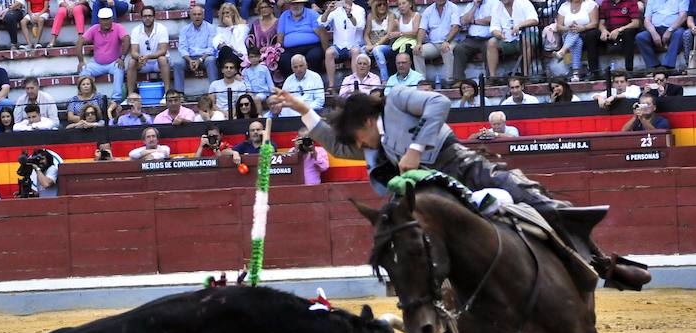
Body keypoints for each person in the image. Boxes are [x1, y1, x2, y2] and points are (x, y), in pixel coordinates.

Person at [277, 86, 651, 289]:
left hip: (460, 164)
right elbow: (338, 146)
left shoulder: (397, 100)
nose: (357, 147)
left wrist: (415, 148)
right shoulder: (375, 143)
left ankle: (605, 265)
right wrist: (303, 110)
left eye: (358, 138)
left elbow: (439, 103)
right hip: (432, 189)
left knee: (534, 199)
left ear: (366, 122)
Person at [77, 7, 129, 103]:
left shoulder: (118, 27)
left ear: (112, 19)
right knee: (83, 70)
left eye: (108, 19)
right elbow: (80, 42)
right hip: (97, 64)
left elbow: (127, 39)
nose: (106, 22)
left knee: (119, 68)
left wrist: (122, 58)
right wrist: (80, 61)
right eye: (103, 19)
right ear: (99, 20)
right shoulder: (94, 28)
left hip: (113, 63)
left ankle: (116, 99)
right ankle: (85, 98)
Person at [126, 5, 170, 98]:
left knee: (162, 59)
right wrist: (140, 57)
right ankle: (130, 96)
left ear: (154, 17)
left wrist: (147, 57)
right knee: (132, 62)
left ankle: (167, 94)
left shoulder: (162, 28)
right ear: (141, 17)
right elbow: (133, 52)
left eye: (150, 16)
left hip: (158, 63)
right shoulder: (135, 30)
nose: (147, 18)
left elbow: (163, 51)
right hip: (143, 63)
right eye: (145, 16)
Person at [320, 0, 365, 91]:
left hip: (354, 44)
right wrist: (328, 11)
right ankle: (331, 85)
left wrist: (350, 15)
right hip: (338, 45)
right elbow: (322, 23)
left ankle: (356, 83)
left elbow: (360, 26)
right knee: (329, 52)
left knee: (355, 51)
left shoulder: (359, 9)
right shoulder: (336, 9)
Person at [487, 0, 538, 78]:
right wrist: (498, 34)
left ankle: (525, 75)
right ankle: (492, 77)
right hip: (507, 38)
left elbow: (534, 20)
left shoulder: (524, 2)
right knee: (491, 42)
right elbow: (494, 27)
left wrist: (519, 26)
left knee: (525, 40)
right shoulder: (496, 7)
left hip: (528, 34)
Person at [414, 0, 459, 84]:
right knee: (417, 51)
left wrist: (447, 41)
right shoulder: (428, 10)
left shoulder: (453, 8)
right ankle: (421, 81)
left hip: (450, 41)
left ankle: (449, 80)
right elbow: (422, 29)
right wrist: (419, 43)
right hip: (433, 44)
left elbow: (455, 27)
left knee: (447, 49)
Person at [276, 0, 326, 77]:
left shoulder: (312, 14)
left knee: (313, 56)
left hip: (312, 47)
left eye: (298, 3)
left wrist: (326, 52)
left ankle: (312, 80)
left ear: (303, 3)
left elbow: (322, 34)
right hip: (290, 49)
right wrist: (277, 51)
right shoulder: (284, 16)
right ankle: (291, 82)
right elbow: (280, 37)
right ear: (289, 5)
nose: (295, 6)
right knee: (283, 59)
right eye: (293, 4)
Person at [174, 6, 218, 94]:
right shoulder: (185, 29)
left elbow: (211, 48)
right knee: (177, 63)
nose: (197, 16)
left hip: (205, 57)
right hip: (189, 58)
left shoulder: (211, 28)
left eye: (199, 14)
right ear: (190, 16)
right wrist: (190, 60)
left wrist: (200, 60)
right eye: (194, 14)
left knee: (211, 60)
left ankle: (214, 93)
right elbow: (182, 48)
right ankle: (179, 94)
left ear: (203, 15)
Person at [636, 0, 688, 70]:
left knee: (679, 33)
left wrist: (669, 30)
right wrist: (654, 33)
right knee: (640, 37)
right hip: (655, 29)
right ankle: (654, 66)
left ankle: (668, 66)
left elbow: (683, 16)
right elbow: (647, 20)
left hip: (674, 28)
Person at [554, 0, 599, 82]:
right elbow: (559, 27)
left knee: (576, 36)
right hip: (568, 34)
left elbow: (595, 23)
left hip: (586, 33)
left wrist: (583, 28)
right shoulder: (564, 6)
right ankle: (575, 74)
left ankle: (563, 52)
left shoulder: (590, 4)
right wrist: (568, 28)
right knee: (576, 39)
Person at [592, 0, 641, 73]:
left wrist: (619, 30)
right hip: (609, 32)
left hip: (625, 30)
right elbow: (601, 23)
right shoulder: (605, 3)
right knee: (592, 35)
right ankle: (594, 71)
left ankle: (629, 69)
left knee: (628, 33)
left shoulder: (631, 2)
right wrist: (603, 30)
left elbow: (636, 23)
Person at [452, 0, 494, 81]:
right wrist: (475, 6)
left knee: (489, 47)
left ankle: (490, 79)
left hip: (488, 38)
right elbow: (464, 21)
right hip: (471, 39)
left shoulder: (493, 3)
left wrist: (473, 21)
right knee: (459, 49)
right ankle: (458, 80)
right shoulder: (470, 5)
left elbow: (492, 20)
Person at [248, 0, 281, 82]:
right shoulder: (255, 23)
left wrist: (269, 49)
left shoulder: (278, 22)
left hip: (274, 53)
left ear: (272, 8)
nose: (263, 9)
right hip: (258, 53)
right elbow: (250, 38)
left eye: (266, 7)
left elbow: (280, 41)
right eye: (261, 8)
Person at [364, 0, 396, 82]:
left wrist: (375, 46)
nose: (382, 6)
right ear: (375, 6)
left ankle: (384, 79)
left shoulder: (391, 15)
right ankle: (364, 78)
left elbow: (388, 35)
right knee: (362, 50)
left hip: (387, 46)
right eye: (379, 5)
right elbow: (366, 34)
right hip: (373, 45)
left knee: (377, 50)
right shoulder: (370, 16)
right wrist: (369, 45)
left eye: (384, 4)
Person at [213, 3, 249, 68]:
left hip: (239, 56)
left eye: (227, 12)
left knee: (227, 49)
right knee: (225, 49)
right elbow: (217, 42)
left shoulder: (243, 27)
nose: (225, 15)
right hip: (225, 54)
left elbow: (239, 42)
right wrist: (222, 46)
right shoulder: (220, 28)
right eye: (223, 13)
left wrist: (231, 25)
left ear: (233, 13)